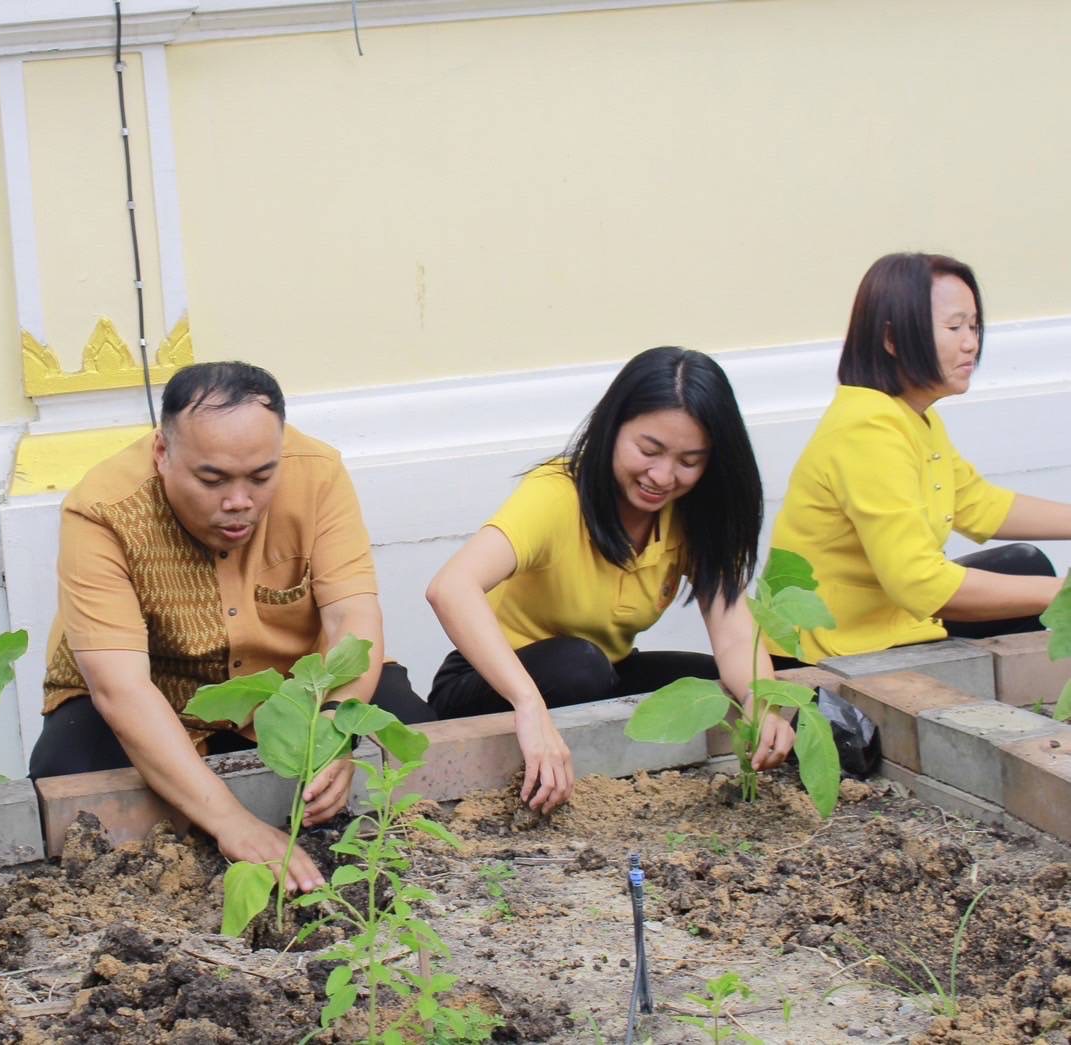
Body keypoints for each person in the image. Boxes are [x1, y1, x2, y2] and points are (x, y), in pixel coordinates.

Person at [28, 361, 436, 892]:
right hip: (158, 694)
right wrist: (231, 822)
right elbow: (120, 686)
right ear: (162, 454)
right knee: (72, 780)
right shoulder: (102, 511)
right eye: (212, 479)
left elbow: (352, 617)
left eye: (262, 477)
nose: (239, 501)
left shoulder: (319, 473)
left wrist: (336, 731)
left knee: (412, 744)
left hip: (296, 690)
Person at [426, 347, 794, 813]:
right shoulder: (558, 493)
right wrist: (529, 705)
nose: (662, 476)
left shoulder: (690, 514)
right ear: (613, 426)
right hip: (490, 685)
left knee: (711, 685)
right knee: (581, 664)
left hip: (604, 674)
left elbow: (736, 634)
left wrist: (764, 706)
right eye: (649, 450)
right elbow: (451, 587)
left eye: (690, 461)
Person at [771, 252, 1071, 664]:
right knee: (1041, 589)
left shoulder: (911, 416)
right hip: (831, 653)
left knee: (1026, 565)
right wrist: (1064, 593)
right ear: (892, 339)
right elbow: (921, 585)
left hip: (891, 623)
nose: (971, 342)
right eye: (954, 327)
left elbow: (979, 505)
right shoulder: (867, 429)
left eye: (974, 326)